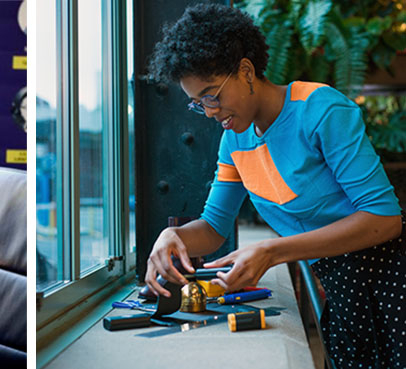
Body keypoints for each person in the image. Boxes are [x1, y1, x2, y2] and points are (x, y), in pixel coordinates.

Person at [144, 4, 405, 368]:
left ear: (246, 71)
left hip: (392, 278)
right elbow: (214, 228)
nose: (208, 111)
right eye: (197, 103)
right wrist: (174, 239)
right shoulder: (234, 141)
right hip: (345, 292)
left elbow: (385, 219)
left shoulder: (320, 110)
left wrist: (273, 251)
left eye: (211, 95)